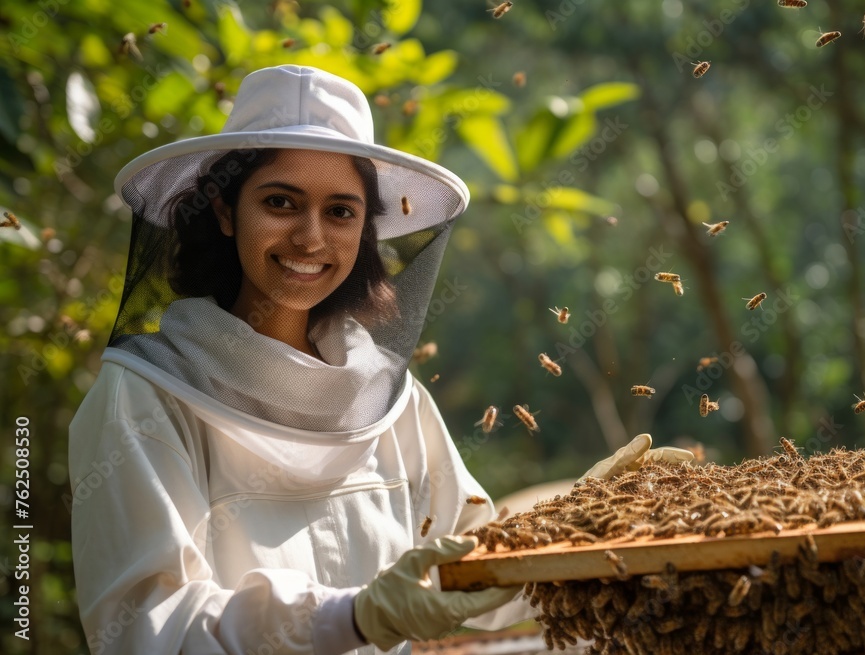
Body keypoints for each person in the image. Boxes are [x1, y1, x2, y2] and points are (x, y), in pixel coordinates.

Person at [69, 64, 691, 655]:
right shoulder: (144, 395)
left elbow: (473, 566)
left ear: (365, 227)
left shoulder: (387, 395)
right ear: (226, 211)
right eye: (281, 202)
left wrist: (575, 525)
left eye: (340, 211)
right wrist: (355, 616)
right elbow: (149, 628)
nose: (311, 237)